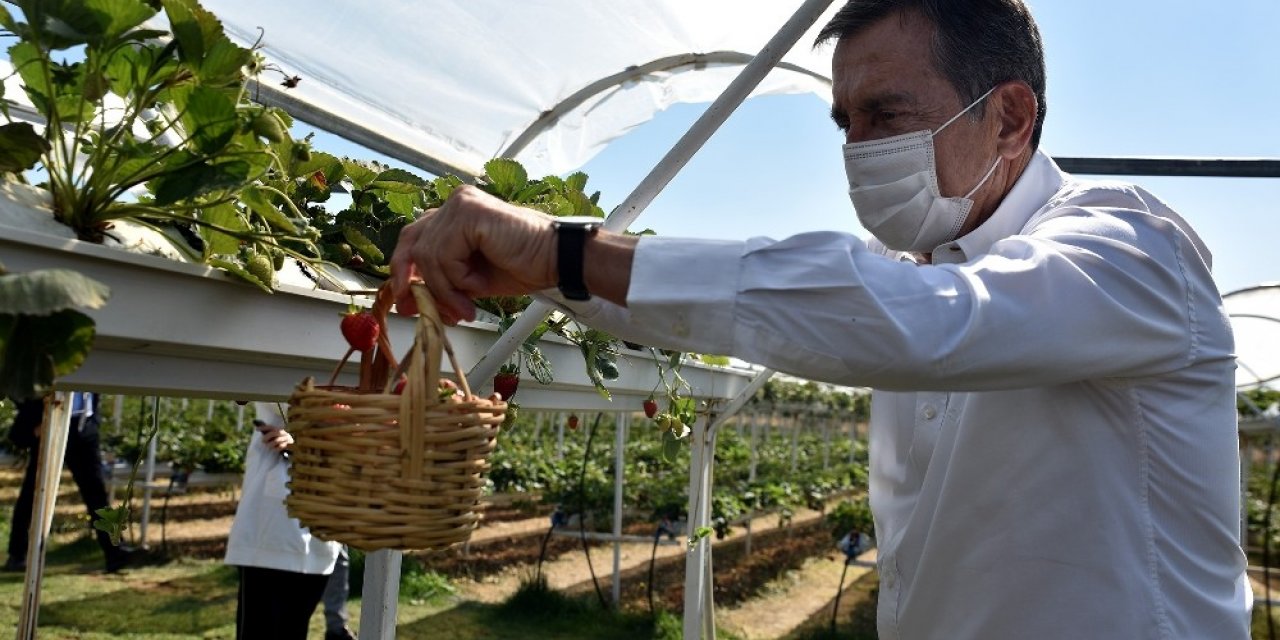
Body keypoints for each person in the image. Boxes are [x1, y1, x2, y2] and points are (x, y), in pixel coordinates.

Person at [388, 1, 1249, 637]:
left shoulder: (1131, 251)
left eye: (888, 115)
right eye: (846, 122)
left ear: (1010, 117)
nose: (858, 149)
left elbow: (938, 323)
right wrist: (553, 280)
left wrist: (566, 252)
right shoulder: (923, 276)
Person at [225, 402, 340, 640]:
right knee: (264, 626)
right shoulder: (280, 384)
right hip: (273, 525)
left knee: (291, 626)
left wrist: (305, 445)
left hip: (319, 519)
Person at [4, 393, 139, 574]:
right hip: (51, 423)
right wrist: (34, 422)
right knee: (34, 493)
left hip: (84, 427)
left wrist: (93, 421)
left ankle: (115, 552)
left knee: (96, 493)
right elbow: (22, 389)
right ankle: (17, 555)